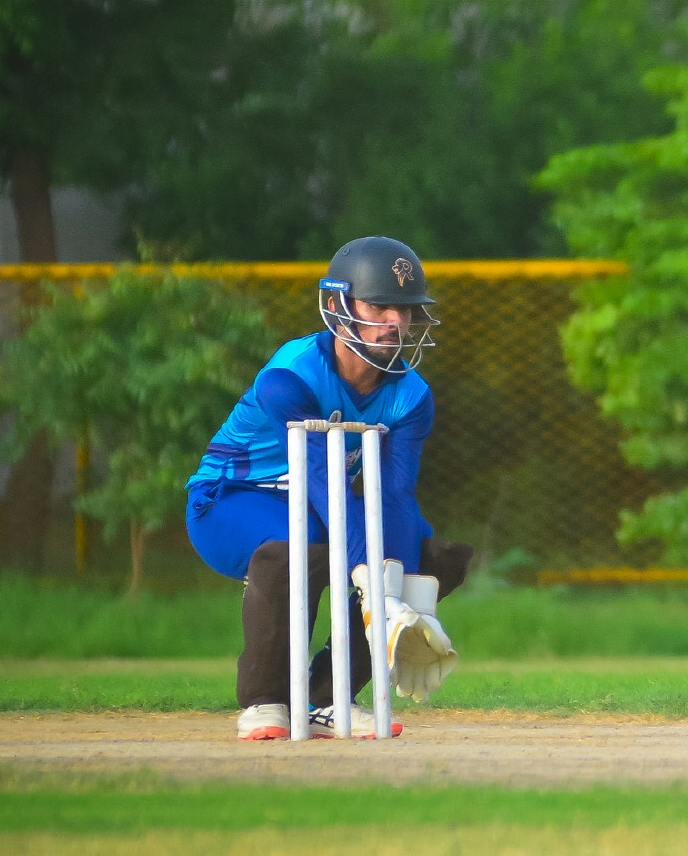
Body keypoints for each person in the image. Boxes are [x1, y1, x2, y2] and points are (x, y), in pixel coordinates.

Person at [186, 236, 473, 740]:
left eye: (405, 309)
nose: (395, 322)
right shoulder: (290, 376)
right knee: (303, 547)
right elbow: (322, 480)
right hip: (229, 501)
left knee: (428, 559)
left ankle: (328, 698)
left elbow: (394, 498)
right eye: (379, 306)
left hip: (319, 504)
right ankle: (265, 700)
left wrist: (399, 590)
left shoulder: (411, 396)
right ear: (339, 308)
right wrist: (375, 586)